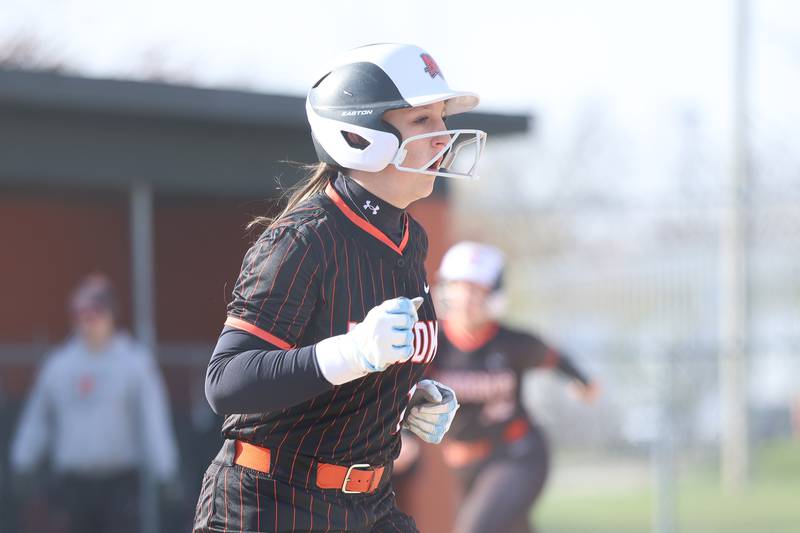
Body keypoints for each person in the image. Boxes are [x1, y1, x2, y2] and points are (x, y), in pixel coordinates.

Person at [194, 43, 486, 533]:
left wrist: (401, 398)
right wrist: (351, 353)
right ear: (360, 135)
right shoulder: (302, 241)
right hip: (271, 506)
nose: (442, 137)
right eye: (422, 121)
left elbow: (354, 369)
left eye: (440, 119)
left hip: (367, 505)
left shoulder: (409, 238)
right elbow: (225, 383)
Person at [431, 241, 600, 533]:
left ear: (494, 294)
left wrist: (583, 382)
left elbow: (554, 357)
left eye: (477, 289)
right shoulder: (433, 342)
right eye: (460, 286)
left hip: (517, 454)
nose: (467, 298)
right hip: (465, 463)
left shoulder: (512, 343)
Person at [9, 273, 179, 533]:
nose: (88, 322)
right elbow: (39, 418)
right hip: (73, 485)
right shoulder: (60, 365)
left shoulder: (133, 363)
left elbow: (152, 419)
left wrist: (166, 469)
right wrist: (23, 460)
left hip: (119, 483)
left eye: (95, 313)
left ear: (111, 314)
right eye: (81, 314)